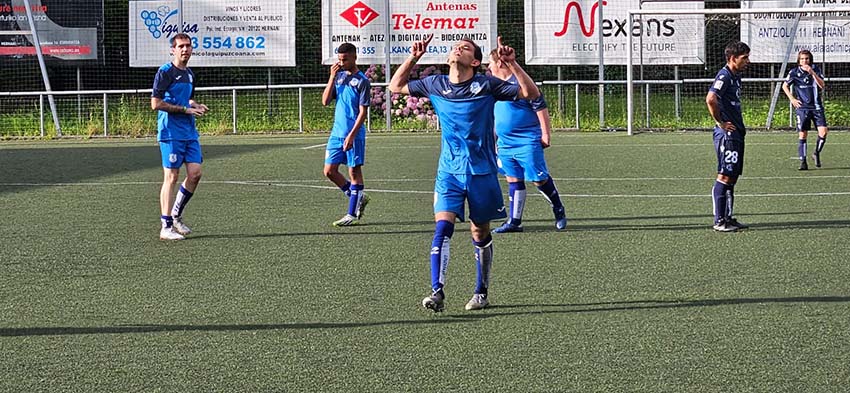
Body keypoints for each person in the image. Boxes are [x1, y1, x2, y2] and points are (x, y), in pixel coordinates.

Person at [389, 35, 540, 312]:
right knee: (442, 227)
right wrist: (414, 57)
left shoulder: (486, 85)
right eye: (455, 46)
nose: (458, 48)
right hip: (448, 171)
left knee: (479, 230)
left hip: (481, 171)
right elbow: (395, 86)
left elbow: (530, 94)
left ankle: (481, 292)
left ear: (475, 61)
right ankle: (437, 291)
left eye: (466, 48)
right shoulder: (435, 84)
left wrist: (513, 64)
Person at [487, 49, 567, 233]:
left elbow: (539, 105)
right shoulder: (493, 86)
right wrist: (493, 141)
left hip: (527, 139)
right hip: (505, 143)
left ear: (499, 63)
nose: (488, 67)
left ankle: (558, 208)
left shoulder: (520, 82)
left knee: (539, 179)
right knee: (513, 179)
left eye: (490, 63)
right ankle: (515, 221)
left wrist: (545, 134)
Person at [151, 32, 209, 240]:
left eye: (188, 46)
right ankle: (165, 226)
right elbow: (156, 104)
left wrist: (195, 105)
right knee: (172, 176)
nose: (185, 49)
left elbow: (189, 99)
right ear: (173, 50)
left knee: (195, 174)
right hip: (170, 132)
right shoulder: (165, 72)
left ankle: (176, 215)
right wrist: (185, 109)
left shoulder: (190, 74)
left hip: (189, 132)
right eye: (181, 46)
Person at [321, 42, 371, 226]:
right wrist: (332, 76)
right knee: (329, 171)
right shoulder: (339, 77)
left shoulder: (362, 81)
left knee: (353, 171)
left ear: (354, 57)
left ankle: (352, 214)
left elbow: (363, 112)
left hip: (353, 134)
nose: (341, 63)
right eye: (339, 59)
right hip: (336, 133)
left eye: (345, 59)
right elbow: (325, 101)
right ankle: (357, 197)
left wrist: (351, 135)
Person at [706, 41, 750, 233]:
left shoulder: (735, 76)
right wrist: (720, 122)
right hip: (728, 135)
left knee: (731, 176)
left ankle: (727, 217)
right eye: (744, 58)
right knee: (725, 175)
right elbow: (710, 98)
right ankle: (719, 221)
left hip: (737, 133)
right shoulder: (724, 75)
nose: (747, 61)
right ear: (733, 58)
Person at [782, 49, 828, 170]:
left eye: (806, 58)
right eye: (802, 59)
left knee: (823, 132)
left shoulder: (816, 70)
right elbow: (785, 86)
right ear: (799, 60)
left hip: (816, 107)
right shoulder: (794, 72)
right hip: (803, 108)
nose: (804, 61)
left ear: (810, 59)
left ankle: (816, 153)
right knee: (803, 134)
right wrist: (792, 99)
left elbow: (822, 85)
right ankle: (803, 162)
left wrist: (812, 72)